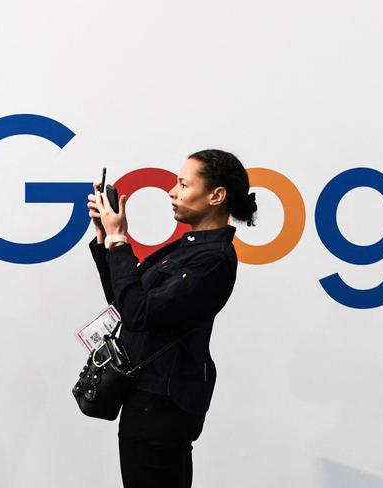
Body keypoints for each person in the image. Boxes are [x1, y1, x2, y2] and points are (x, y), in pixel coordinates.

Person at [87, 149, 257, 488]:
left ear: (216, 196)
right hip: (147, 399)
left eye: (182, 184)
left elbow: (138, 313)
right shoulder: (189, 247)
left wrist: (120, 240)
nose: (172, 192)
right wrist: (106, 240)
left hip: (162, 405)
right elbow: (126, 303)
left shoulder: (212, 259)